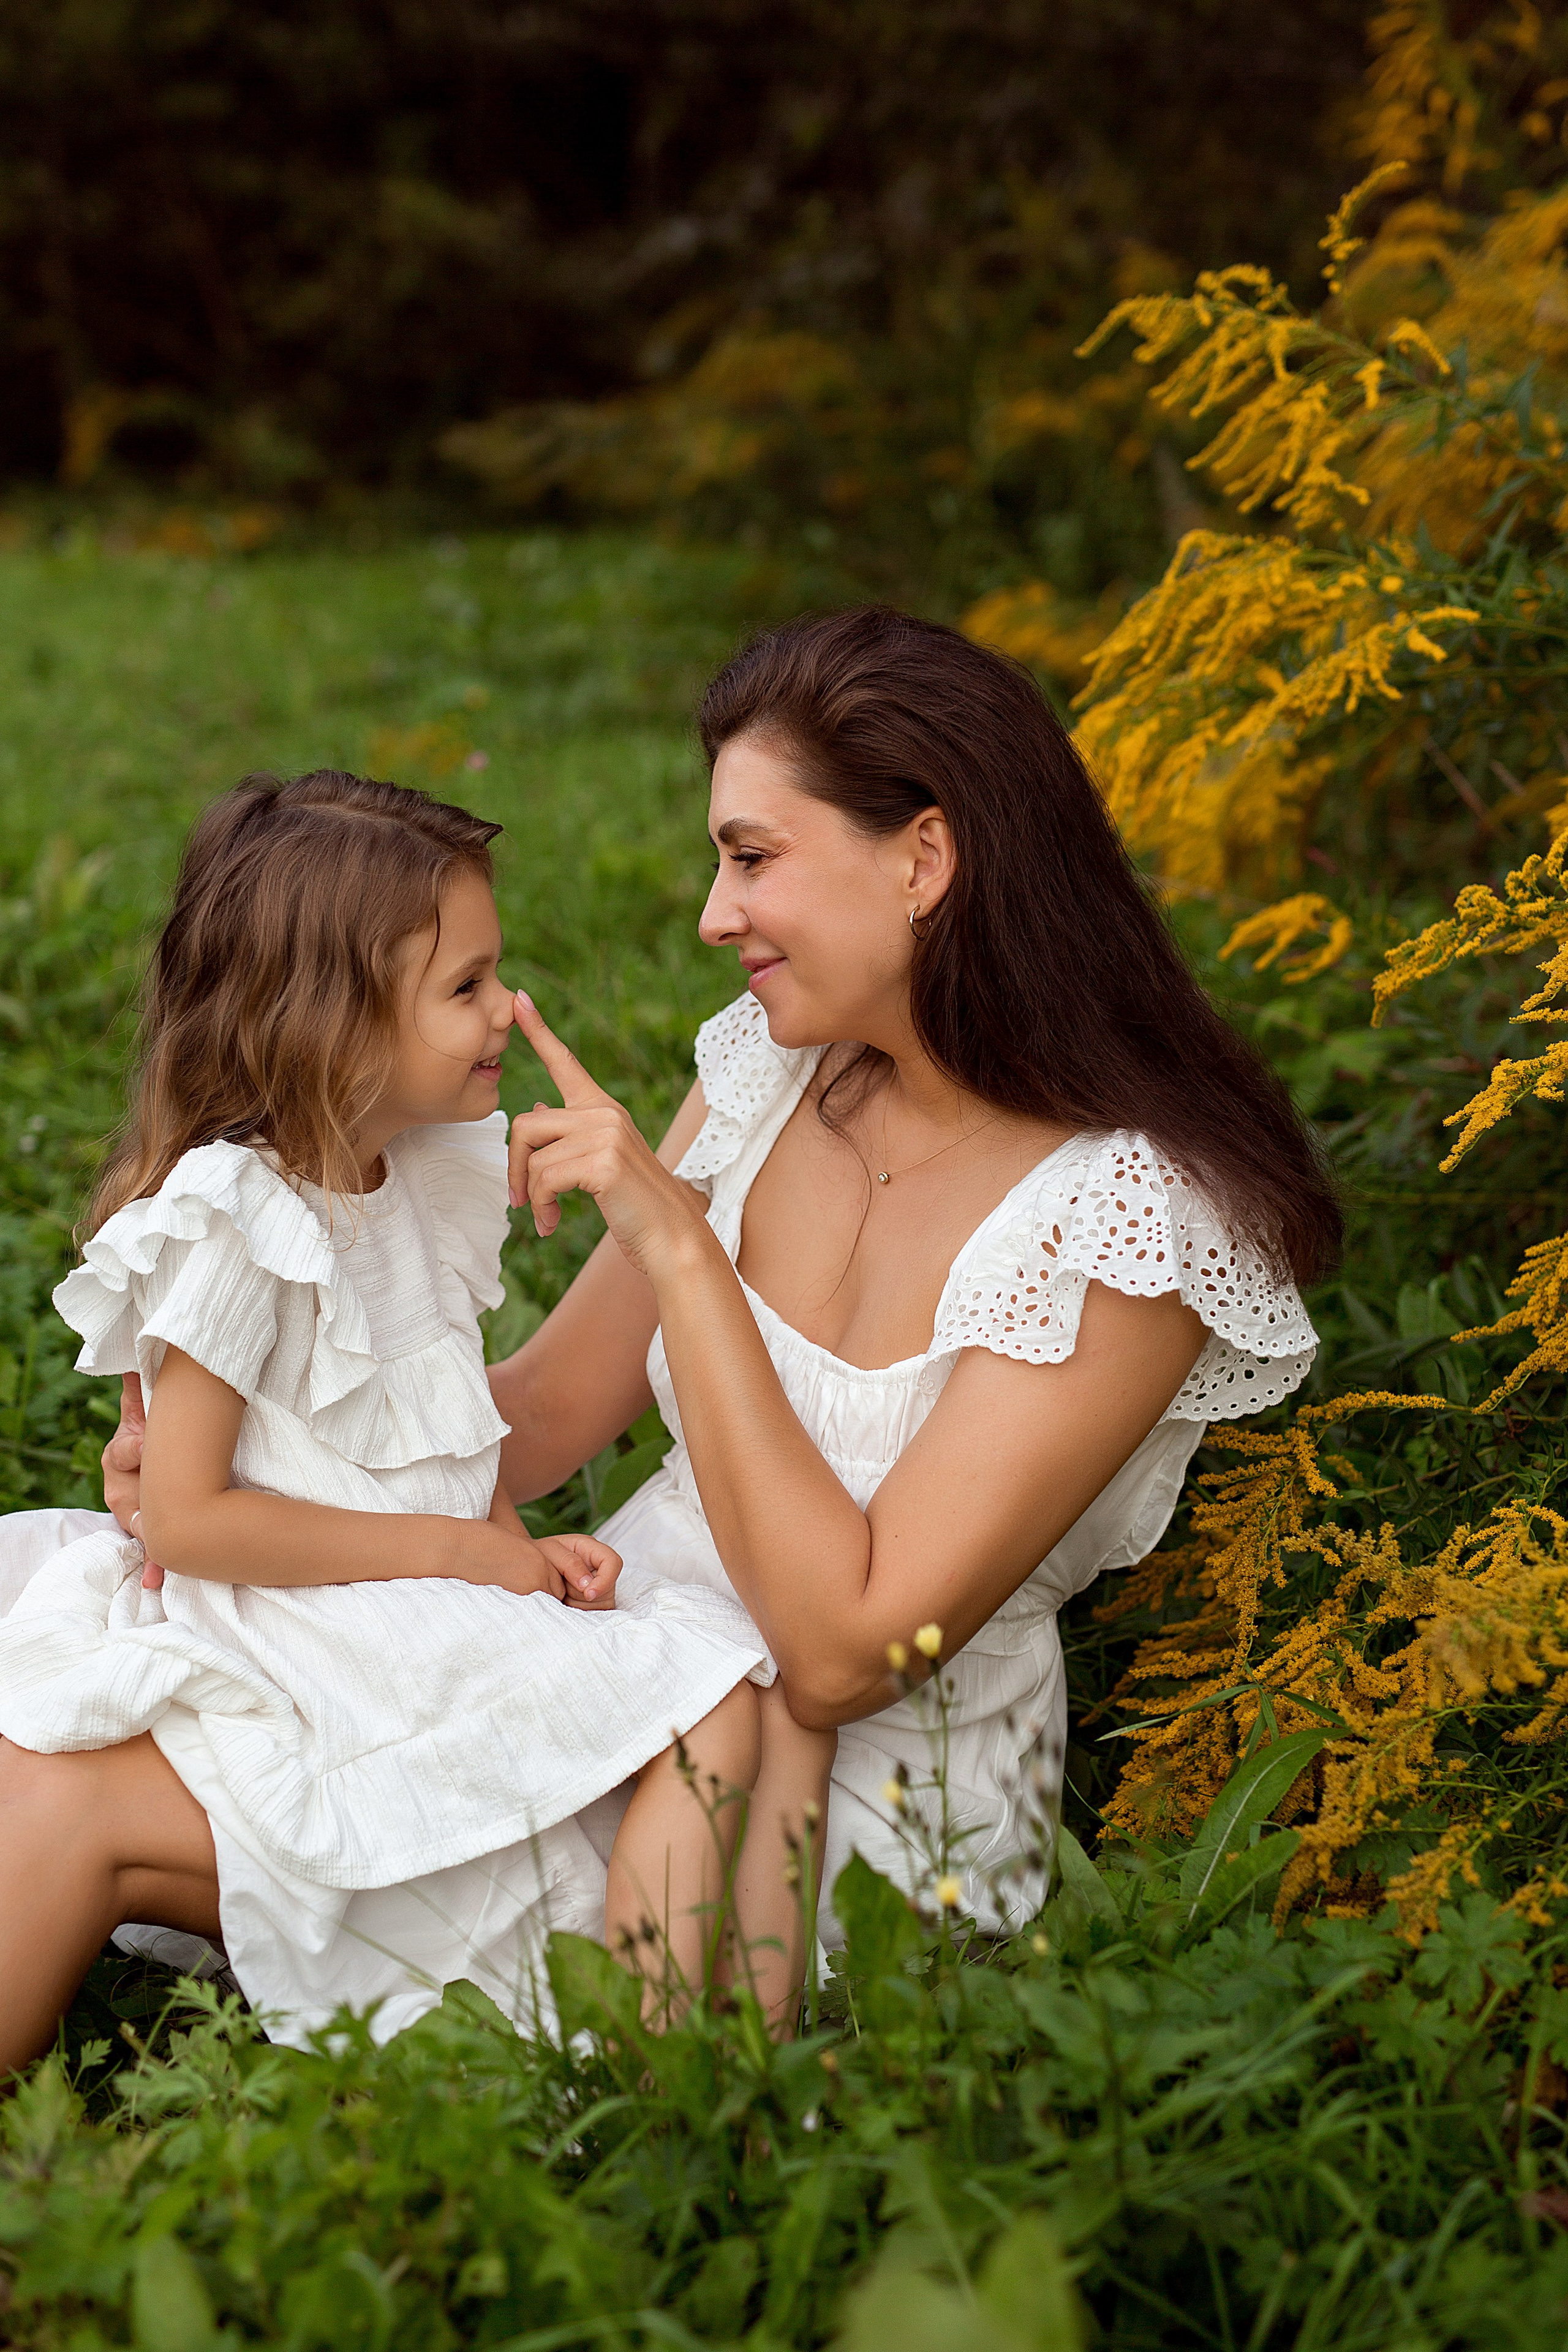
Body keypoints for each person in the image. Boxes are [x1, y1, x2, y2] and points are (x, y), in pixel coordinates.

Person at [70, 606, 1337, 2035]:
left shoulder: (1131, 1222)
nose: (711, 914)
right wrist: (243, 1463)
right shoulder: (772, 1074)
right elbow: (538, 1423)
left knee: (82, 1800)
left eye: (751, 856)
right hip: (609, 1662)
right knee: (60, 1736)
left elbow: (846, 1654)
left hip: (840, 1818)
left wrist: (683, 1251)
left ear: (921, 858)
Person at [0, 771, 776, 2076]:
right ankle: (656, 2065)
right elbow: (188, 1515)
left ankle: (654, 2048)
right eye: (466, 987)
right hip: (305, 1614)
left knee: (705, 1684)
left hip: (400, 1590)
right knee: (706, 1690)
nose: (508, 1014)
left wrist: (522, 1546)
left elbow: (440, 1429)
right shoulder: (240, 1219)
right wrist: (465, 1559)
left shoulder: (411, 1178)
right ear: (339, 1026)